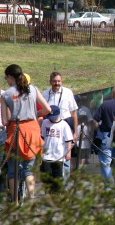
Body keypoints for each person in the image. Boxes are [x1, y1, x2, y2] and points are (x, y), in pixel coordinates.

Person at [1, 64, 51, 203]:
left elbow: (5, 121)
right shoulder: (33, 89)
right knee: (28, 170)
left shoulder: (6, 94)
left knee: (12, 170)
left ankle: (15, 202)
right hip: (33, 130)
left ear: (10, 77)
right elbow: (47, 109)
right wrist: (35, 114)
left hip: (16, 131)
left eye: (6, 78)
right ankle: (32, 199)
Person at [42, 71, 78, 180]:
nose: (57, 83)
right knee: (53, 153)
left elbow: (73, 113)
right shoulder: (45, 94)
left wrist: (75, 131)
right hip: (50, 126)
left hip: (66, 124)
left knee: (66, 156)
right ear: (50, 82)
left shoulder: (68, 92)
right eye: (54, 81)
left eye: (59, 81)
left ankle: (64, 186)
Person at [92, 86, 115, 187]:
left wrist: (97, 130)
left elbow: (95, 121)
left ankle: (109, 186)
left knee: (106, 162)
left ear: (113, 94)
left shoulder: (105, 105)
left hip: (106, 135)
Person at [40, 105, 73, 194]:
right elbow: (42, 137)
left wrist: (68, 153)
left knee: (57, 176)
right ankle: (50, 192)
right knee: (46, 175)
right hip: (46, 155)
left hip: (58, 155)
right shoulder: (45, 122)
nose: (52, 119)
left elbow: (68, 140)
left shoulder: (64, 125)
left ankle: (57, 194)